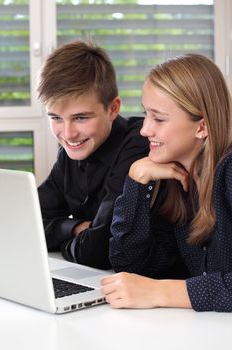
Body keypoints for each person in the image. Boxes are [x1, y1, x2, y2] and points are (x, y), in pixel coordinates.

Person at [101, 53, 232, 312]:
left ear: (202, 127)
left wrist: (161, 292)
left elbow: (150, 289)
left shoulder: (228, 171)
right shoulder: (176, 178)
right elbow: (131, 266)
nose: (144, 130)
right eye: (145, 114)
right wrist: (136, 181)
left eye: (158, 119)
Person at [37, 39, 150, 269]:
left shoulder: (139, 142)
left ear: (113, 109)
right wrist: (77, 228)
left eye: (81, 118)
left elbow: (97, 250)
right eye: (56, 118)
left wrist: (67, 239)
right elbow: (23, 222)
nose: (68, 134)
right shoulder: (70, 152)